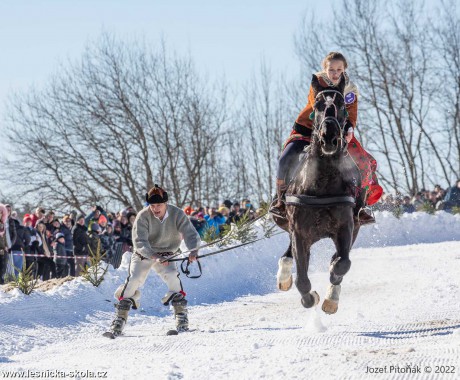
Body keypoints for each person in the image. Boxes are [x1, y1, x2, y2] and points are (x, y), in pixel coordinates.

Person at [270, 51, 382, 225]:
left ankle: (360, 206)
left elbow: (351, 112)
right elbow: (317, 105)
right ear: (325, 69)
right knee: (285, 159)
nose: (335, 73)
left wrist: (349, 127)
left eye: (339, 69)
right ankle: (280, 200)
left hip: (337, 132)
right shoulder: (318, 82)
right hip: (309, 128)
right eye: (331, 70)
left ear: (344, 69)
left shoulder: (350, 89)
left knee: (363, 163)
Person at [108, 184, 201, 336]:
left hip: (167, 253)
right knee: (135, 279)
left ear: (166, 204)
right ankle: (119, 319)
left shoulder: (177, 214)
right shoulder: (143, 216)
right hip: (144, 254)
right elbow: (139, 242)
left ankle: (181, 316)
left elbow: (190, 233)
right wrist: (154, 256)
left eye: (159, 205)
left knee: (172, 276)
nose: (155, 208)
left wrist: (193, 250)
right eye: (152, 205)